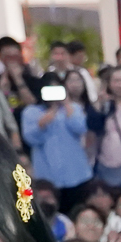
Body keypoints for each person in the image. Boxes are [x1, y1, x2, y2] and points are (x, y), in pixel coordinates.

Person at [20, 69, 94, 210]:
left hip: (76, 173)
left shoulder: (74, 108)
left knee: (78, 209)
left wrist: (66, 104)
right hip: (47, 175)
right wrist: (43, 122)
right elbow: (30, 139)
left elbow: (80, 128)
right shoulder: (31, 112)